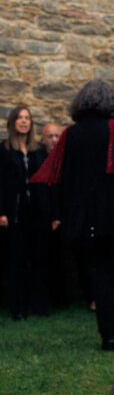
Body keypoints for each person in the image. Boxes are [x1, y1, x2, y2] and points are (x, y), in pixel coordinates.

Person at [30, 80, 114, 349]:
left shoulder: (71, 134)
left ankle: (109, 337)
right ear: (111, 102)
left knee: (103, 278)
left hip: (91, 220)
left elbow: (63, 177)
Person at [0, 105, 50, 319]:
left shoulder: (38, 150)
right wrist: (2, 212)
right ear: (13, 122)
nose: (24, 121)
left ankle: (39, 304)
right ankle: (18, 307)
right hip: (15, 213)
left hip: (36, 212)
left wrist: (51, 213)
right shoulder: (4, 149)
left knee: (39, 259)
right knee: (16, 261)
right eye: (20, 118)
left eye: (27, 118)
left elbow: (46, 183)